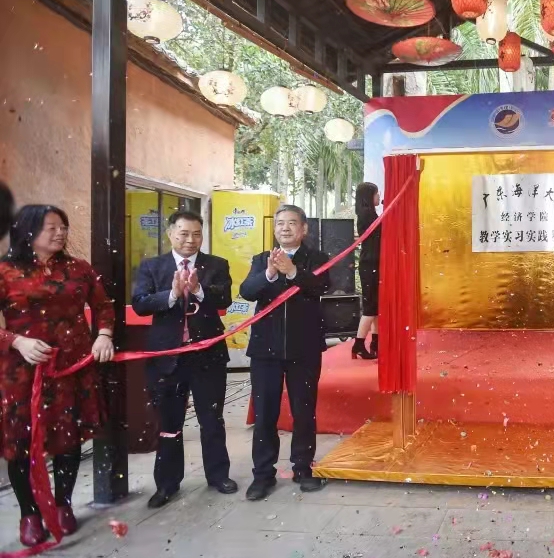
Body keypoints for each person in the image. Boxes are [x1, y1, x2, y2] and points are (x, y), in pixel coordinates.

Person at [0, 205, 114, 545]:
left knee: (68, 437)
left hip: (70, 368)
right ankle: (29, 513)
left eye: (62, 226)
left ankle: (63, 504)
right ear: (28, 231)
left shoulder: (78, 269)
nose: (60, 233)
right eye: (51, 227)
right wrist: (16, 341)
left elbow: (103, 306)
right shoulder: (5, 271)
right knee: (21, 443)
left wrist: (104, 335)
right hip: (21, 372)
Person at [131, 210, 236, 509]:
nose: (190, 240)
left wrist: (198, 289)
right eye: (184, 233)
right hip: (168, 358)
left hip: (207, 357)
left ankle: (218, 476)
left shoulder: (216, 264)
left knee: (211, 419)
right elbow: (140, 304)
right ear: (170, 234)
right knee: (169, 423)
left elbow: (224, 299)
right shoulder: (153, 267)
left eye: (196, 234)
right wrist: (173, 294)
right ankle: (167, 483)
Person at [239, 205, 330, 500]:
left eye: (292, 223)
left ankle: (303, 468)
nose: (285, 228)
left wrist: (293, 272)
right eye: (280, 223)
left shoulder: (317, 258)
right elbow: (247, 291)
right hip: (265, 349)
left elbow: (322, 286)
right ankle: (263, 475)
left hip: (304, 348)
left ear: (304, 229)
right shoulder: (261, 259)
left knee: (304, 410)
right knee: (265, 413)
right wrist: (269, 273)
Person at [352, 182, 382, 360]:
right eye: (377, 194)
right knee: (370, 306)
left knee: (375, 305)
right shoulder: (367, 215)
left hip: (372, 263)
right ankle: (359, 344)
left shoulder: (369, 214)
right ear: (369, 196)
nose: (379, 197)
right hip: (370, 264)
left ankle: (375, 342)